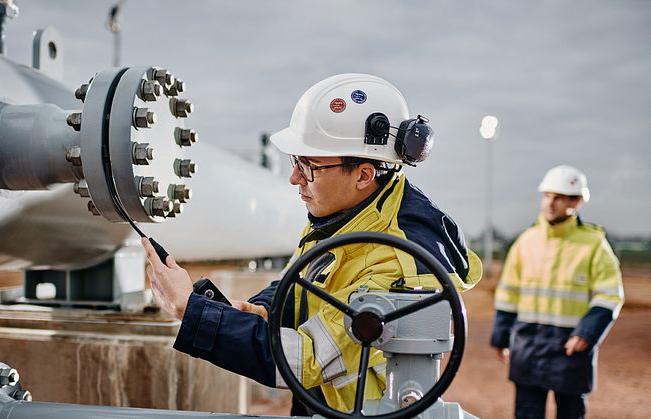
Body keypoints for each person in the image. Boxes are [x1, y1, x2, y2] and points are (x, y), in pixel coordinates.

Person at [143, 73, 482, 414]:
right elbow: (304, 283)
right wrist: (260, 309)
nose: (294, 179)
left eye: (309, 166)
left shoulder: (397, 261)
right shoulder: (348, 218)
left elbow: (302, 361)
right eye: (296, 161)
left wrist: (191, 310)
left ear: (364, 175)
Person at [490, 165, 624, 419]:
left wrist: (587, 333)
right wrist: (501, 336)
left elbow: (609, 295)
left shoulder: (594, 244)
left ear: (577, 201)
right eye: (547, 196)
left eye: (559, 197)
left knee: (571, 412)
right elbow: (508, 292)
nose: (550, 203)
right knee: (527, 413)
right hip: (528, 343)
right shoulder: (526, 241)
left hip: (571, 345)